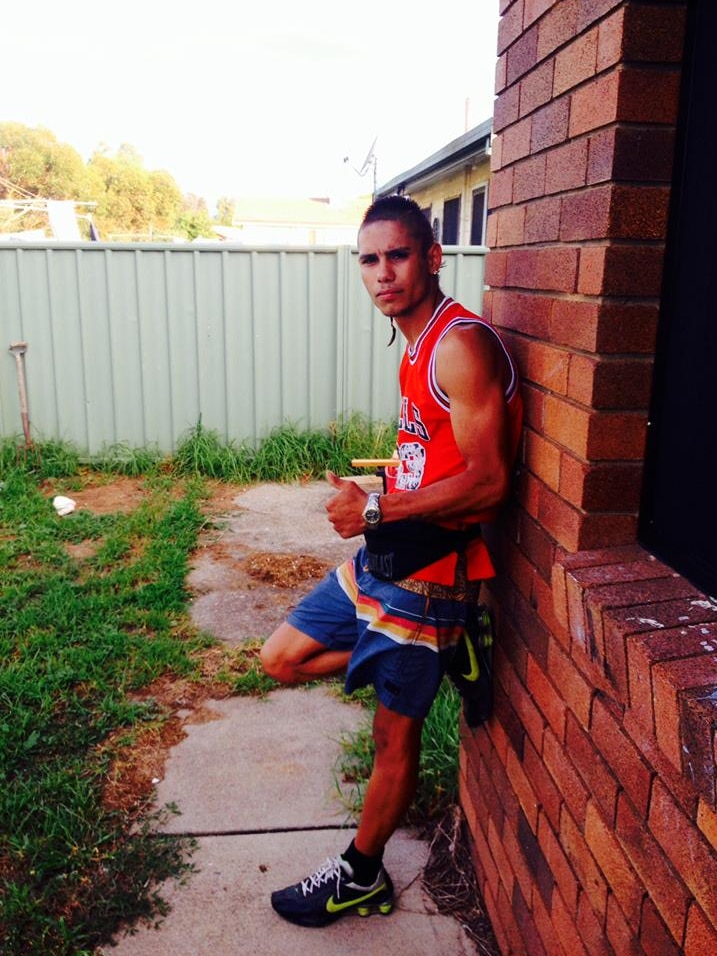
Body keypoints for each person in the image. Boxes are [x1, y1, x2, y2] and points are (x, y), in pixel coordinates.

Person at [260, 194, 522, 928]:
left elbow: (490, 480)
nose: (383, 273)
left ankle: (361, 874)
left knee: (390, 738)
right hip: (386, 557)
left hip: (434, 577)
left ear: (432, 258)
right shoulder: (416, 342)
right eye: (369, 260)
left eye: (397, 255)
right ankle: (439, 657)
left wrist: (374, 508)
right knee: (279, 658)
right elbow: (433, 457)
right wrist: (383, 497)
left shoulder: (457, 345)